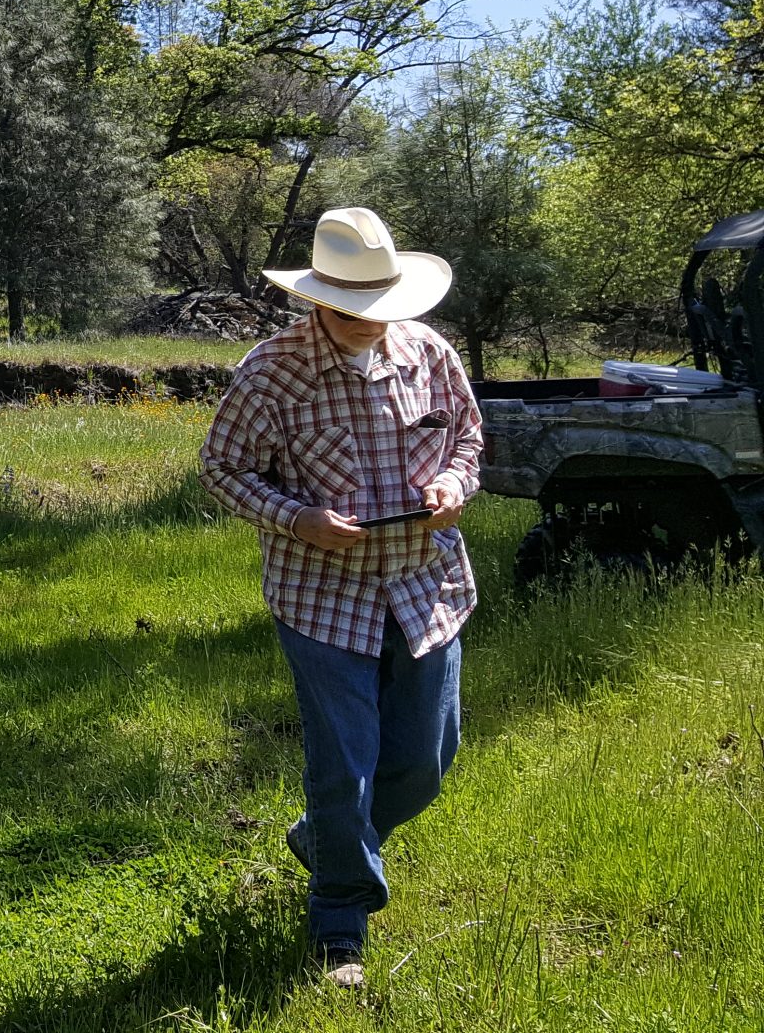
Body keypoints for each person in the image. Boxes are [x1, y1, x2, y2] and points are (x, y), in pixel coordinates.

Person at [198, 207, 483, 989]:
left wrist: (455, 484)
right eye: (352, 308)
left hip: (427, 584)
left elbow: (467, 437)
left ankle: (322, 841)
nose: (370, 323)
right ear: (317, 299)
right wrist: (298, 519)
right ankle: (338, 931)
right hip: (323, 598)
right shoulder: (270, 372)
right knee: (344, 769)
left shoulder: (430, 354)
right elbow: (222, 468)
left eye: (382, 307)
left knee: (426, 762)